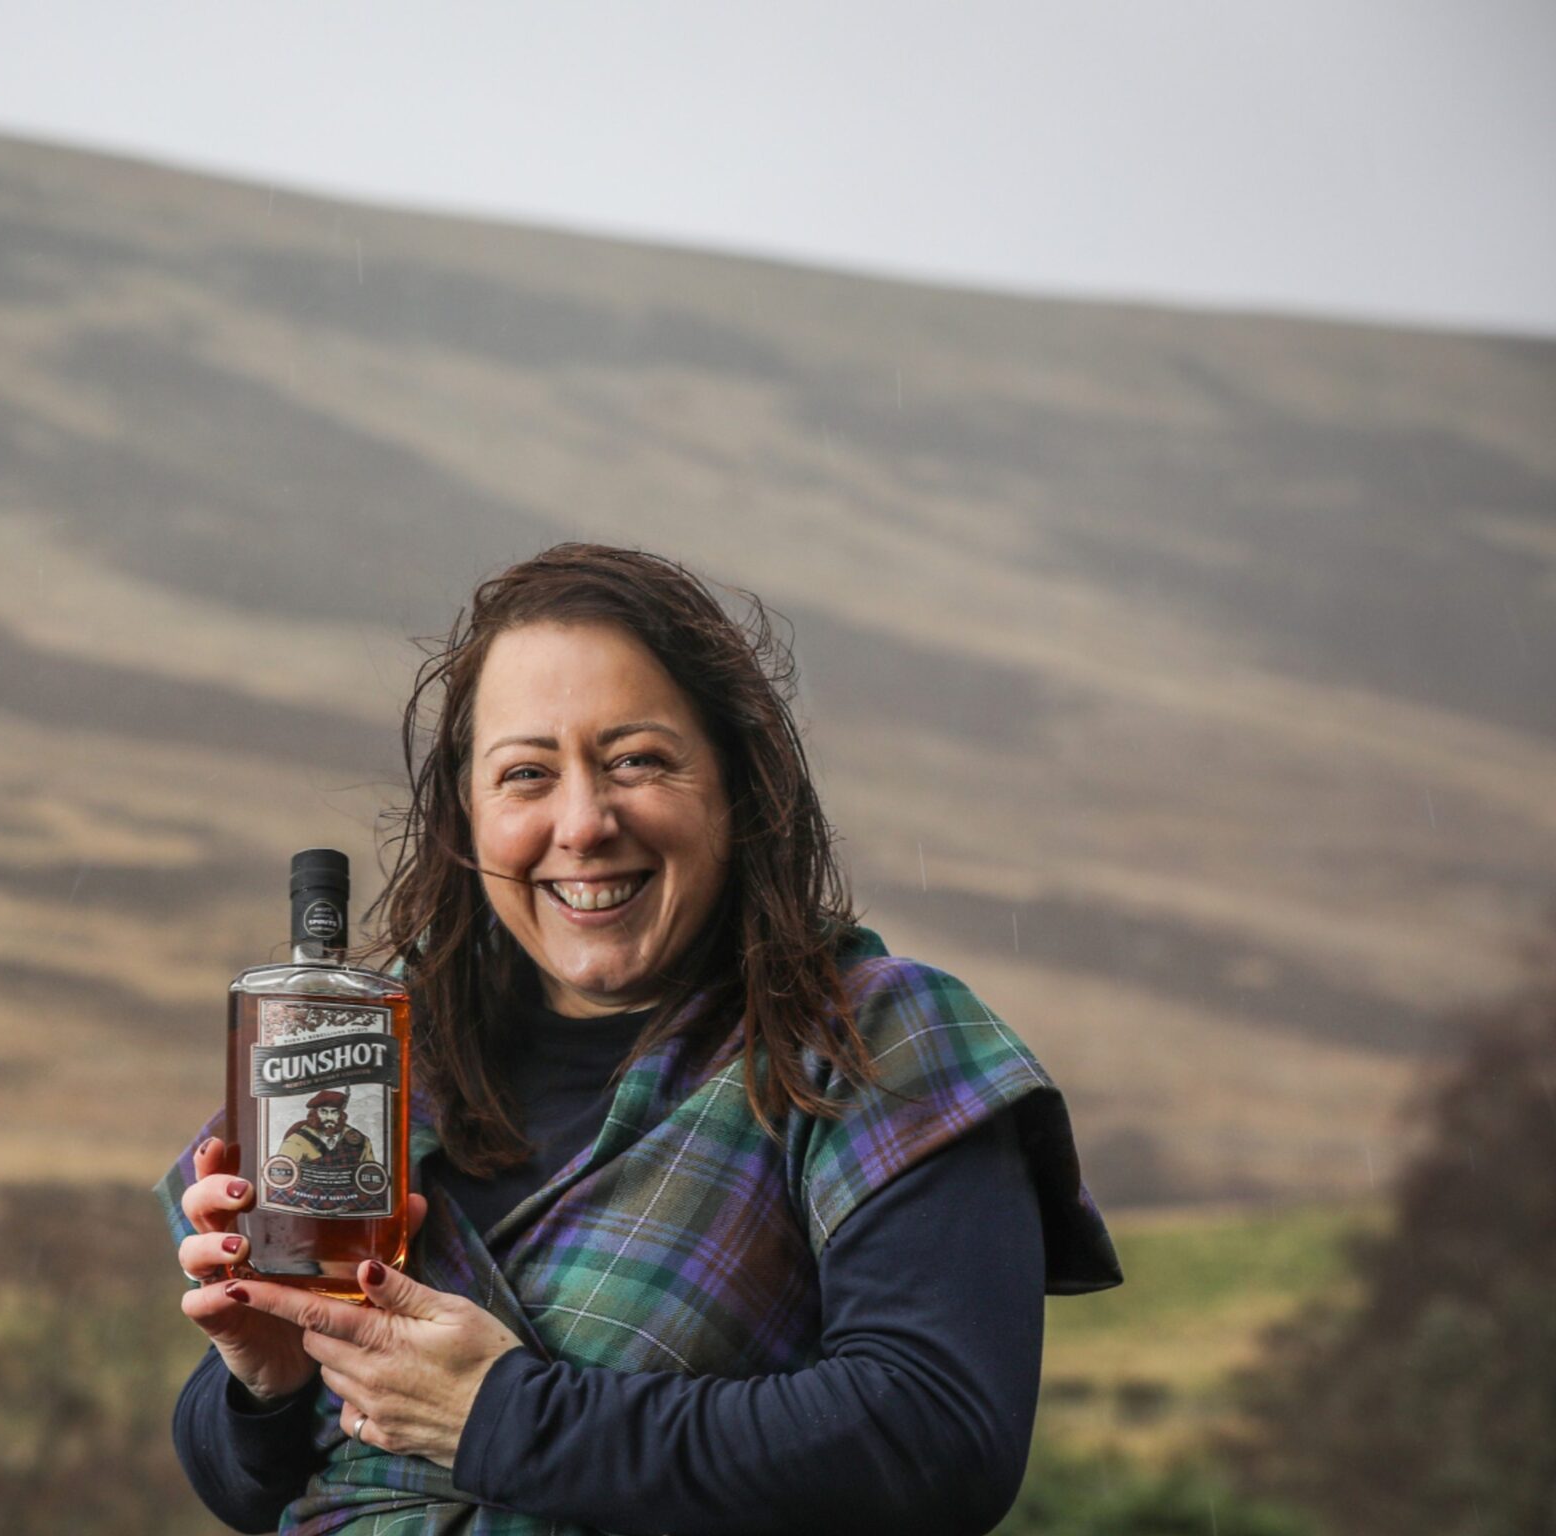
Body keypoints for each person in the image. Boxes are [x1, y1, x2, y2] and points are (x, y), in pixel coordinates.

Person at [160, 544, 1122, 1535]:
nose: (582, 823)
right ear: (467, 816)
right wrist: (266, 1382)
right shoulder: (375, 1060)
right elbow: (258, 1487)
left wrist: (504, 1416)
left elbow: (933, 1443)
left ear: (738, 788)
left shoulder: (878, 1046)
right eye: (526, 774)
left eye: (635, 761)